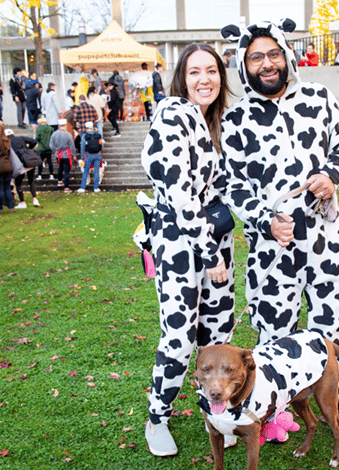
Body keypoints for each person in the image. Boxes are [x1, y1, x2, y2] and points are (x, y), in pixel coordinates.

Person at [220, 19, 339, 440]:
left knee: (335, 326)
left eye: (274, 53)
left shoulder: (319, 97)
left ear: (287, 56)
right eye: (256, 56)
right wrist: (264, 220)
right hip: (272, 249)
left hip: (326, 241)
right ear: (244, 64)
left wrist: (332, 174)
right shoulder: (235, 120)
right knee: (276, 332)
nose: (267, 63)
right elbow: (232, 184)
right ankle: (276, 412)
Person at [139, 42, 235, 457]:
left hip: (215, 238)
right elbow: (179, 194)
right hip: (181, 243)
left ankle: (215, 411)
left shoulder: (216, 122)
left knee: (217, 339)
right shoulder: (173, 114)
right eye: (194, 71)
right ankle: (156, 418)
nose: (204, 79)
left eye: (211, 71)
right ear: (182, 77)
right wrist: (210, 254)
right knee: (178, 339)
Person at [6, 128, 40, 208]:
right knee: (31, 181)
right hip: (28, 161)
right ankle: (35, 199)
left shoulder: (7, 142)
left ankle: (22, 202)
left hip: (18, 164)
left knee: (18, 184)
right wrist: (28, 149)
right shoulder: (20, 138)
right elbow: (34, 141)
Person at [50, 119, 76, 194]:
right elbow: (72, 146)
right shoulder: (68, 135)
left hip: (58, 154)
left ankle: (59, 181)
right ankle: (66, 187)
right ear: (65, 125)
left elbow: (51, 145)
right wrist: (74, 155)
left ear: (58, 125)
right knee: (66, 171)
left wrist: (55, 151)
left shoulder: (54, 134)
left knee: (60, 167)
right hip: (66, 154)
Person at [77, 121, 102, 194]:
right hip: (97, 155)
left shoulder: (84, 136)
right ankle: (96, 187)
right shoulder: (98, 135)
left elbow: (82, 147)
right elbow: (101, 145)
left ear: (86, 128)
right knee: (96, 171)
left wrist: (82, 157)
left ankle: (82, 187)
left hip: (89, 155)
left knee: (86, 171)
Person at [0, 123, 15, 214]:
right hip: (8, 165)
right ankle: (11, 207)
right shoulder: (6, 140)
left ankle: (0, 208)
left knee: (1, 188)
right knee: (7, 188)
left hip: (1, 166)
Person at [35, 115, 54, 181]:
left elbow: (37, 138)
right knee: (49, 161)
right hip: (49, 147)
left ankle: (39, 175)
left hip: (41, 148)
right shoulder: (50, 128)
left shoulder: (38, 128)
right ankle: (51, 174)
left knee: (40, 162)